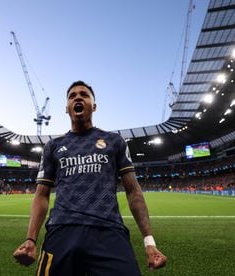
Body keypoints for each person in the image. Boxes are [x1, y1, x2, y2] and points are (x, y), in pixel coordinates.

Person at [13, 81, 167, 275]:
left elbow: (133, 191)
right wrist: (31, 239)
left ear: (94, 106)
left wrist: (149, 242)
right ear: (66, 108)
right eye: (72, 96)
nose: (78, 97)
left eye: (84, 95)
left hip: (109, 230)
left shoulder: (114, 141)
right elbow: (41, 195)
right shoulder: (53, 146)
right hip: (62, 230)